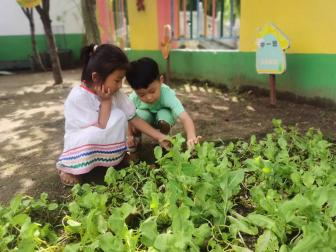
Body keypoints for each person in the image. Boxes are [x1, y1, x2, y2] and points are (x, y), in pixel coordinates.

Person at [56, 44, 168, 186]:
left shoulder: (115, 93)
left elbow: (133, 118)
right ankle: (69, 169)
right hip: (83, 141)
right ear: (96, 78)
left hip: (100, 136)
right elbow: (100, 127)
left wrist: (160, 136)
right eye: (117, 80)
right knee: (105, 125)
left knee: (119, 116)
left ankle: (117, 158)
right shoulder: (78, 97)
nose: (120, 85)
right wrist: (106, 101)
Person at [125, 57, 200, 152]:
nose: (149, 97)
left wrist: (191, 137)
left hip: (163, 118)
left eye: (152, 91)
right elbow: (128, 118)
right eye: (142, 94)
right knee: (138, 116)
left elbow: (185, 118)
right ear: (134, 90)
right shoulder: (133, 98)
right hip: (145, 120)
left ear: (161, 81)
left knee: (164, 115)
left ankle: (165, 140)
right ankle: (136, 142)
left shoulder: (167, 94)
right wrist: (130, 135)